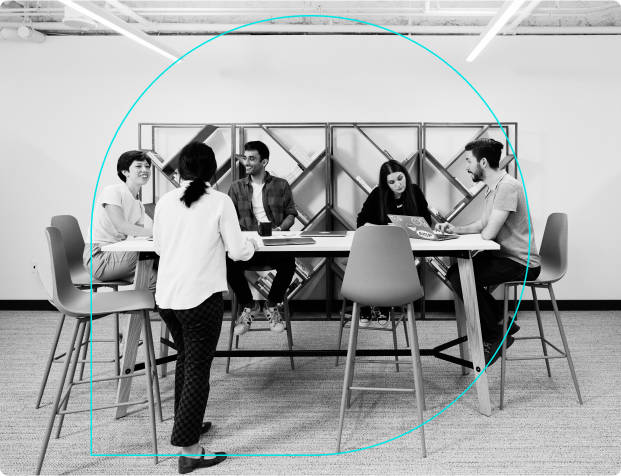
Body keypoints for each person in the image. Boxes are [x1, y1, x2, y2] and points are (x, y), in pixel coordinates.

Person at [153, 142, 257, 473]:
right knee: (198, 368)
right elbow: (238, 252)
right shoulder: (219, 201)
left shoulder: (165, 201)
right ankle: (190, 452)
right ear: (213, 171)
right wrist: (252, 245)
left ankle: (188, 427)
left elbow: (157, 246)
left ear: (180, 169)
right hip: (200, 300)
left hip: (168, 299)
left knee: (187, 361)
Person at [436, 138, 541, 366]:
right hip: (503, 256)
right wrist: (456, 229)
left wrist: (483, 230)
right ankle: (504, 323)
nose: (466, 166)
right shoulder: (493, 187)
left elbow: (488, 233)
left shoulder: (506, 187)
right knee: (455, 274)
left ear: (482, 162)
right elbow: (483, 222)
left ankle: (494, 337)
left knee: (460, 277)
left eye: (468, 161)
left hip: (521, 262)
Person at [227, 140, 298, 335]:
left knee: (289, 263)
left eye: (252, 159)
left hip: (274, 244)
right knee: (228, 263)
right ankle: (250, 307)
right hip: (247, 245)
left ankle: (272, 305)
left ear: (264, 162)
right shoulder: (236, 188)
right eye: (245, 158)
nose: (246, 162)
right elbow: (229, 219)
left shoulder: (281, 185)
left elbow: (291, 213)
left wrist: (281, 229)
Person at [356, 159, 431, 327]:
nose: (398, 184)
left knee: (375, 261)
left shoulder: (415, 192)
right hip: (380, 246)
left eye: (400, 178)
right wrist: (385, 229)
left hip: (405, 250)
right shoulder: (377, 194)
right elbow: (361, 223)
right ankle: (372, 305)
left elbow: (427, 222)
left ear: (405, 175)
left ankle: (378, 304)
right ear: (386, 184)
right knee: (372, 258)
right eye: (392, 182)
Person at [84, 150, 157, 292]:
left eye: (147, 166)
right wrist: (158, 232)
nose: (145, 170)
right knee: (156, 259)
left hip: (118, 255)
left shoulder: (139, 205)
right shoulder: (113, 191)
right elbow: (121, 227)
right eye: (138, 166)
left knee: (157, 274)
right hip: (98, 257)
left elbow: (138, 237)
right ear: (125, 172)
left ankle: (145, 312)